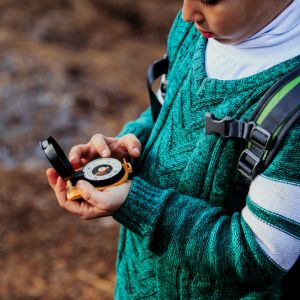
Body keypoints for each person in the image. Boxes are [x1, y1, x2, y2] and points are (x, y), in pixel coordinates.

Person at [46, 0, 300, 299]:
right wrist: (131, 143)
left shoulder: (292, 108)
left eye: (209, 0)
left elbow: (260, 254)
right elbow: (166, 110)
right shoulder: (193, 33)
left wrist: (136, 203)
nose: (187, 12)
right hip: (139, 283)